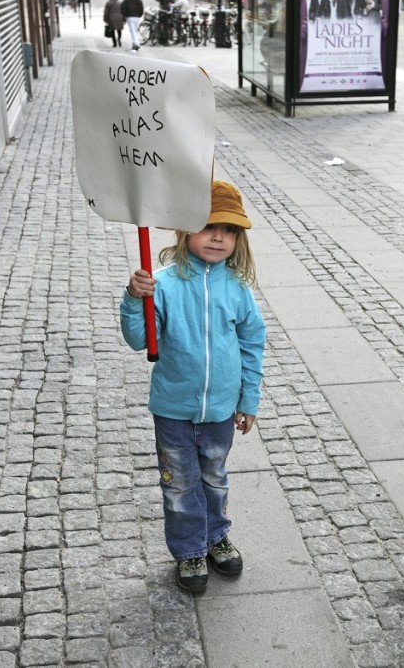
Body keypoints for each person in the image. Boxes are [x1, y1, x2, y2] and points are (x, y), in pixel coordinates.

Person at [120, 181, 266, 593]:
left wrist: (247, 399)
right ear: (185, 229)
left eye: (230, 230)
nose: (219, 237)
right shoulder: (163, 284)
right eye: (208, 226)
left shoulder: (237, 289)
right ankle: (189, 549)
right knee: (179, 483)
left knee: (214, 478)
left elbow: (252, 344)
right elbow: (139, 339)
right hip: (173, 409)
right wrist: (135, 299)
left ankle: (216, 535)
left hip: (220, 409)